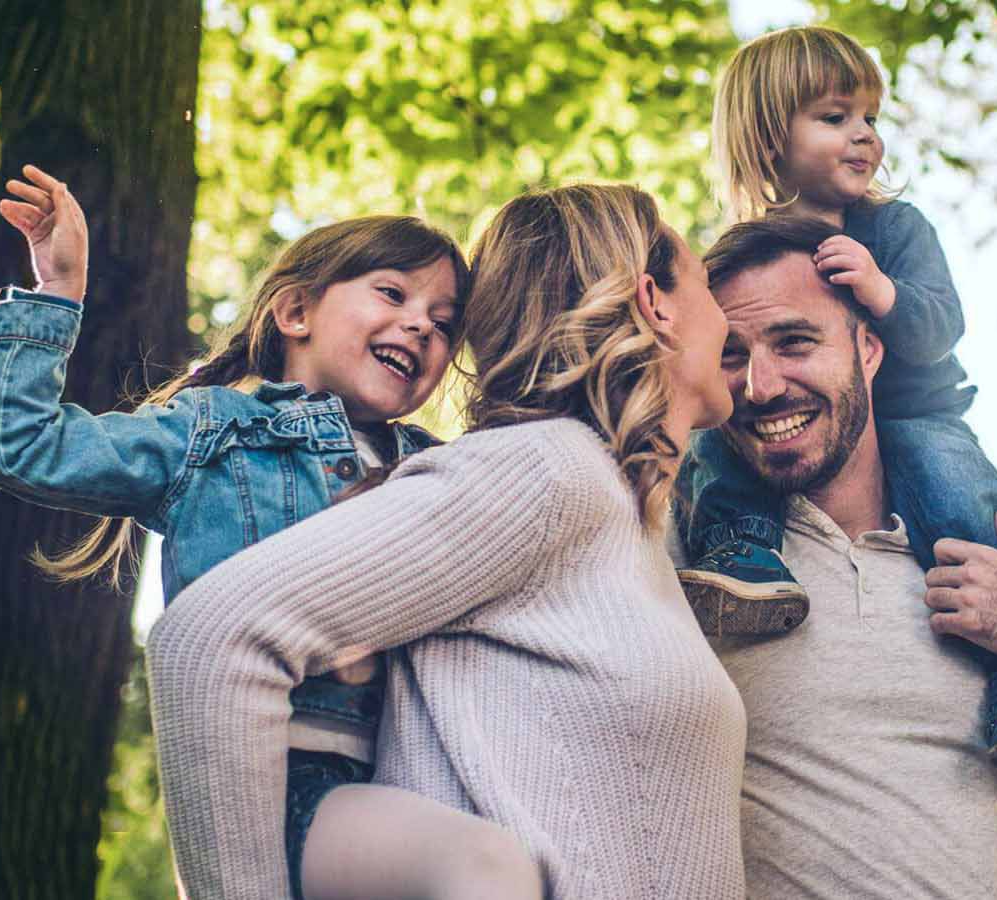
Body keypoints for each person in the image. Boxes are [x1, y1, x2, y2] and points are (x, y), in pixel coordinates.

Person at [0, 166, 539, 899]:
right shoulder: (216, 433)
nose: (422, 323)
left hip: (401, 778)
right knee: (484, 866)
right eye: (392, 293)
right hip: (271, 786)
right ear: (296, 312)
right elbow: (19, 441)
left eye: (445, 322)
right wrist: (59, 292)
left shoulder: (435, 469)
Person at [149, 183, 747, 899]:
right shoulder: (548, 471)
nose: (729, 323)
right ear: (654, 303)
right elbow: (210, 638)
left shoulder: (631, 515)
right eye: (709, 287)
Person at [678, 214, 997, 898]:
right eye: (731, 355)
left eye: (795, 342)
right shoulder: (694, 552)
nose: (761, 386)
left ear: (870, 350)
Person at [675, 24, 997, 766]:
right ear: (766, 138)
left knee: (960, 497)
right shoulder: (742, 256)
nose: (864, 137)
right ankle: (743, 552)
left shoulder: (894, 229)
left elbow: (940, 327)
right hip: (801, 432)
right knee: (713, 442)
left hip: (913, 415)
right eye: (834, 118)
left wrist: (880, 291)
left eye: (870, 120)